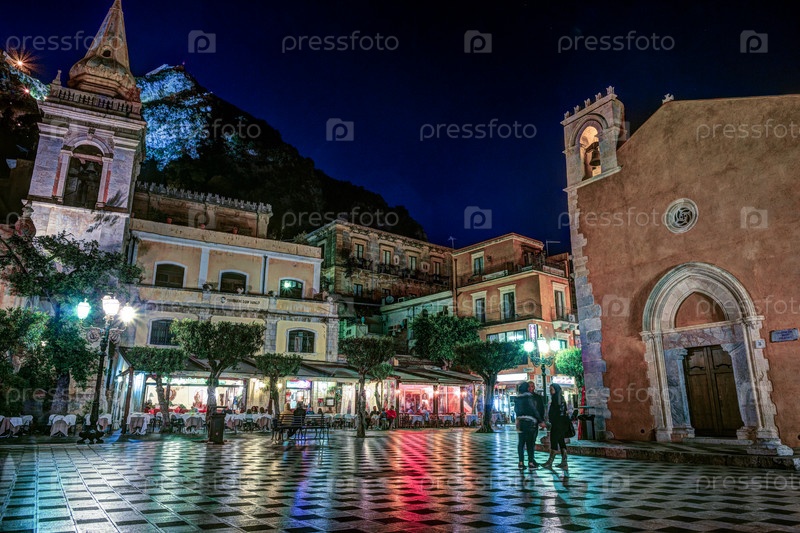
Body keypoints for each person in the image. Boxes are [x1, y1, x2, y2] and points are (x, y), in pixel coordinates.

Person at [514, 382, 544, 468]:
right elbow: (533, 409)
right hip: (530, 421)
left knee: (521, 442)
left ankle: (521, 462)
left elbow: (516, 410)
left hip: (520, 421)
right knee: (530, 442)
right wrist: (540, 420)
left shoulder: (517, 398)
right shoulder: (529, 397)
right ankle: (530, 462)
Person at [543, 383, 570, 468]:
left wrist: (551, 421)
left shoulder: (556, 399)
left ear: (556, 390)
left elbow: (555, 413)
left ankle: (550, 462)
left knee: (554, 441)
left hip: (557, 424)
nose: (550, 391)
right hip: (562, 424)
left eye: (552, 389)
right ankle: (564, 462)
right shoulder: (561, 399)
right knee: (561, 441)